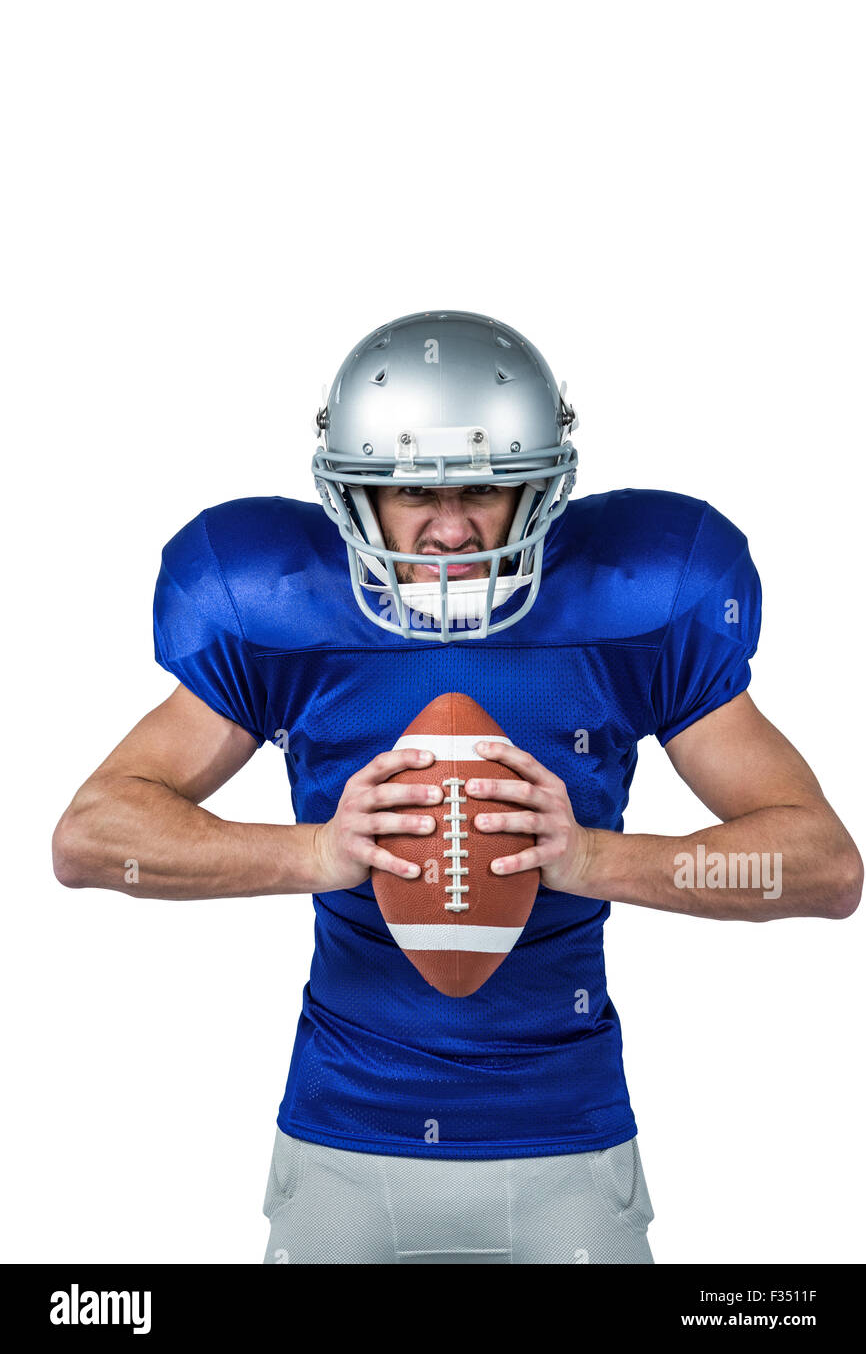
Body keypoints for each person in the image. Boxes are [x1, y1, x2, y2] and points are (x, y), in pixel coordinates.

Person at [52, 309, 862, 1264]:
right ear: (349, 498)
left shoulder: (637, 598)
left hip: (566, 1132)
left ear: (541, 488)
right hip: (342, 1131)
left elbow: (824, 868)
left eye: (483, 485)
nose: (449, 528)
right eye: (410, 495)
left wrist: (593, 857)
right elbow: (92, 836)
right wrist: (315, 851)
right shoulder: (278, 610)